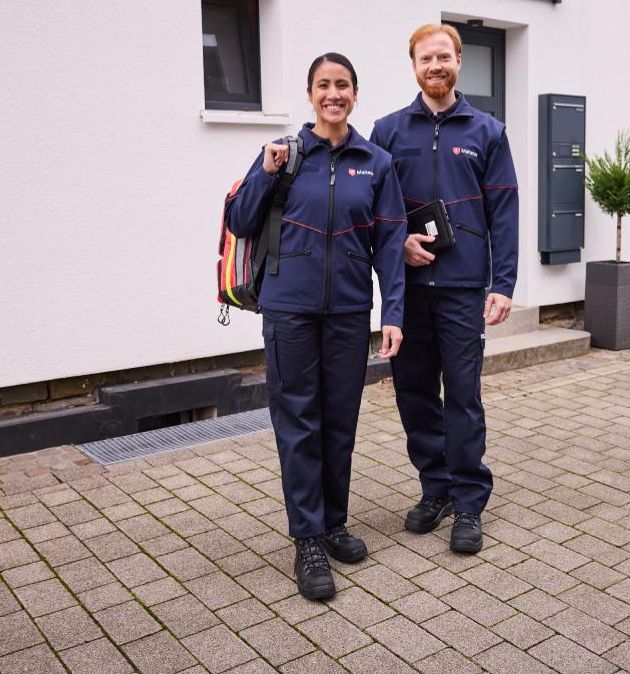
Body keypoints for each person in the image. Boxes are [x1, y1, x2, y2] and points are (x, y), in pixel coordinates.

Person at [226, 53, 407, 599]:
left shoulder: (376, 162)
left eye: (343, 85)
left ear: (355, 93)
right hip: (290, 312)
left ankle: (334, 523)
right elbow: (240, 221)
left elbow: (392, 243)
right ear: (310, 94)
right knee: (299, 423)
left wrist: (392, 312)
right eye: (324, 85)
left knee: (340, 422)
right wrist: (265, 171)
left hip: (349, 313)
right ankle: (306, 538)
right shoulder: (284, 155)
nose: (334, 94)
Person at [370, 24, 519, 554]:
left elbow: (503, 210)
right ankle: (435, 489)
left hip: (461, 289)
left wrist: (502, 283)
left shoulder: (487, 132)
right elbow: (373, 210)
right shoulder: (386, 131)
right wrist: (398, 244)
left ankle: (470, 499)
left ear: (459, 61)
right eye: (425, 59)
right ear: (413, 66)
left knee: (462, 395)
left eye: (444, 57)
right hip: (407, 292)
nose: (435, 66)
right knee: (413, 395)